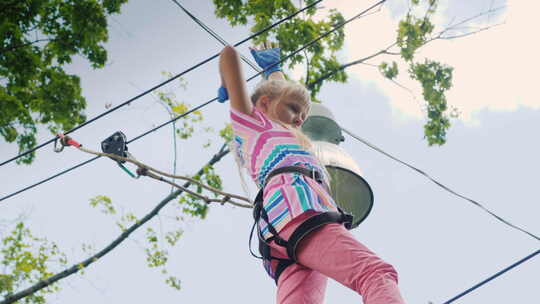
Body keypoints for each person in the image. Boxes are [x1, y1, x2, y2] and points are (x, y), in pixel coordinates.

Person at [218, 42, 405, 304]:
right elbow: (229, 54)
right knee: (375, 273)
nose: (299, 119)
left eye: (303, 116)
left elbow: (282, 98)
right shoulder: (253, 125)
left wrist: (275, 70)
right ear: (263, 104)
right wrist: (228, 85)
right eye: (295, 111)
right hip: (299, 211)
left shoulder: (282, 135)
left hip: (281, 227)